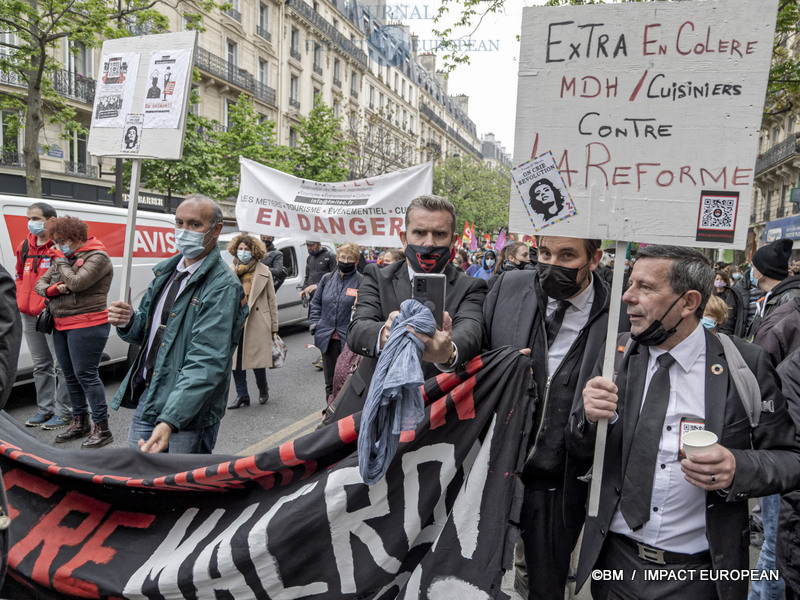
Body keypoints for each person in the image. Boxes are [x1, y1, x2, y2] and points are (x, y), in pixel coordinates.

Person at [570, 245, 800, 600]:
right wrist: (588, 417)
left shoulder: (746, 364)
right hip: (615, 565)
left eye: (646, 288)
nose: (628, 296)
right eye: (630, 284)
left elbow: (790, 459)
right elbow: (577, 445)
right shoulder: (615, 354)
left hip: (698, 575)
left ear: (689, 302)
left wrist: (737, 467)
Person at [483, 235, 608, 600]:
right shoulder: (510, 287)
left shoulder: (616, 312)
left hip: (558, 481)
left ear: (594, 259)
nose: (553, 264)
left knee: (546, 583)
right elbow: (476, 350)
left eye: (567, 255)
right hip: (496, 467)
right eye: (545, 253)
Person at [108, 194, 247, 454]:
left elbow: (207, 361)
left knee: (178, 479)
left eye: (194, 225)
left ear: (216, 230)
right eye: (179, 223)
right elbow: (152, 334)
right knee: (139, 474)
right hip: (150, 396)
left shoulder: (222, 286)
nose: (184, 231)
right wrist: (129, 321)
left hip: (187, 414)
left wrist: (170, 420)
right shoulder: (166, 273)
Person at [333, 195, 487, 419]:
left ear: (453, 240)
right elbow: (357, 330)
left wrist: (448, 352)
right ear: (404, 237)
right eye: (419, 232)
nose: (429, 243)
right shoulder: (377, 276)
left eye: (439, 234)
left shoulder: (471, 286)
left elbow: (471, 331)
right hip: (368, 405)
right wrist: (386, 334)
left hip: (435, 411)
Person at [35, 216, 114, 448]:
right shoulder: (66, 257)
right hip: (61, 323)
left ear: (75, 237)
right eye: (56, 241)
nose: (58, 245)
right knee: (69, 376)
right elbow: (40, 284)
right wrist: (53, 289)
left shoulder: (97, 257)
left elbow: (78, 283)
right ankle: (80, 423)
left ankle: (103, 428)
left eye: (61, 240)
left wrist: (60, 262)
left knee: (86, 376)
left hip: (88, 323)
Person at [15, 202, 71, 430]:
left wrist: (47, 299)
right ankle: (45, 410)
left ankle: (64, 412)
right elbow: (19, 274)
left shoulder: (61, 245)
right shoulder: (24, 246)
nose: (31, 223)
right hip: (29, 315)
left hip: (51, 314)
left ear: (51, 220)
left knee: (61, 366)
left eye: (36, 218)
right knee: (40, 366)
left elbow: (70, 276)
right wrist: (21, 298)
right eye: (28, 218)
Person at [227, 235, 278, 409]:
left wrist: (274, 327)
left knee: (257, 360)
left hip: (257, 321)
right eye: (240, 249)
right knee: (236, 361)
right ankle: (242, 395)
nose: (243, 252)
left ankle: (263, 389)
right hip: (236, 321)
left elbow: (271, 300)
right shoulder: (230, 270)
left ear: (254, 251)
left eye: (246, 249)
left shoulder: (264, 270)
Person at [309, 242, 362, 401]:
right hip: (327, 338)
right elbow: (316, 303)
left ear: (356, 262)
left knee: (347, 379)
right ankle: (329, 410)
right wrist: (315, 324)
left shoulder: (362, 281)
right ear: (337, 258)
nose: (345, 261)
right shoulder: (327, 278)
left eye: (350, 258)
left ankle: (345, 410)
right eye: (343, 257)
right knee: (330, 380)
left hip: (349, 341)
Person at [747, 238, 800, 340]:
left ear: (763, 270)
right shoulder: (768, 296)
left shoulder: (790, 298)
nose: (750, 271)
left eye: (753, 266)